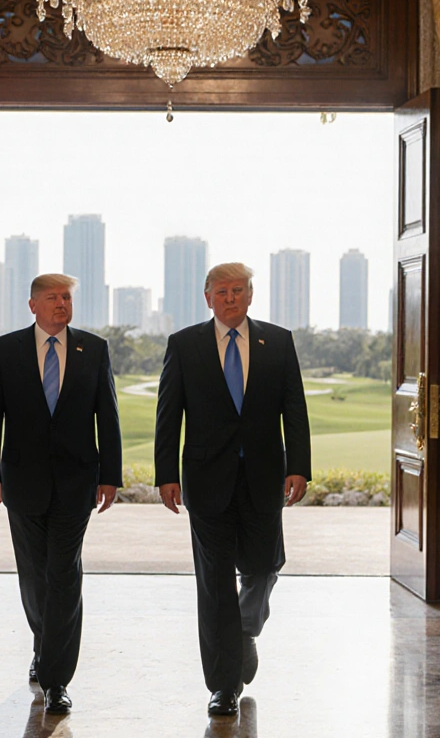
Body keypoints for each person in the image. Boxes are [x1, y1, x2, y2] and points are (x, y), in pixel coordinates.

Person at [154, 262, 311, 717]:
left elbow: (294, 408)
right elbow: (169, 415)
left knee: (264, 566)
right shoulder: (184, 345)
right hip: (206, 482)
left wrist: (298, 465)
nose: (230, 298)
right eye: (222, 291)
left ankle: (244, 628)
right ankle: (223, 686)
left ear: (250, 295)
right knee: (215, 583)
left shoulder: (278, 342)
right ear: (208, 297)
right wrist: (167, 474)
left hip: (264, 478)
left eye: (238, 290)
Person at [0, 273, 121, 715]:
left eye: (67, 297)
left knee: (64, 574)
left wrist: (110, 475)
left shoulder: (93, 349)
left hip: (77, 483)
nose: (62, 304)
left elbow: (107, 415)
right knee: (34, 577)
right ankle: (44, 644)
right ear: (33, 304)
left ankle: (57, 678)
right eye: (53, 297)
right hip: (22, 482)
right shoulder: (5, 350)